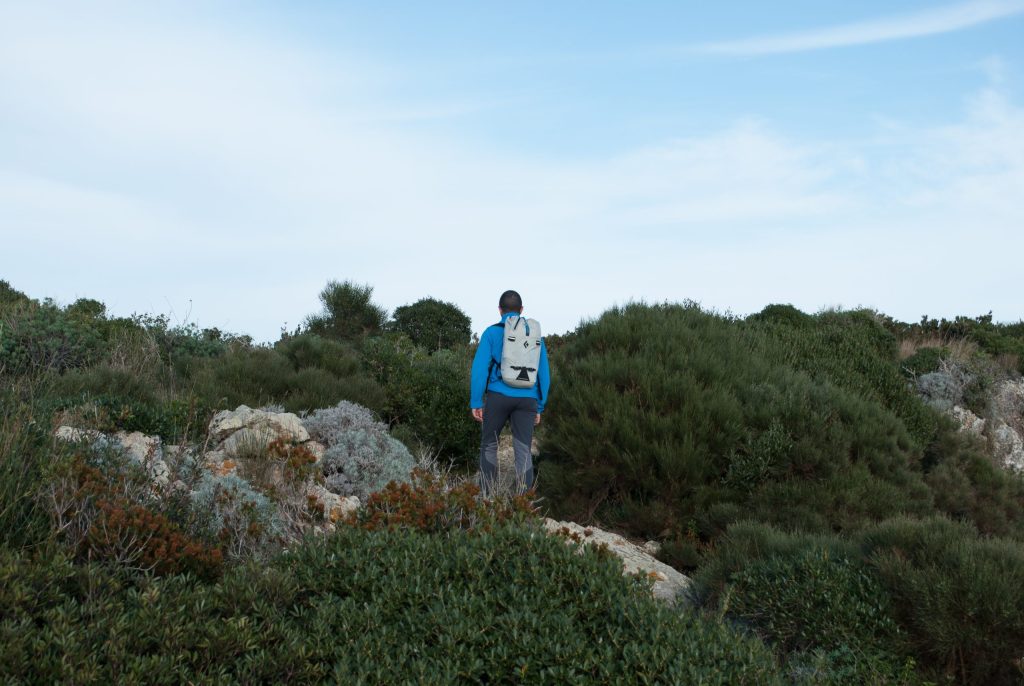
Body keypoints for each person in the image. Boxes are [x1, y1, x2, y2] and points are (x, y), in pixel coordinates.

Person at [470, 290, 550, 495]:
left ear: (499, 310)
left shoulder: (491, 333)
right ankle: (522, 506)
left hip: (498, 397)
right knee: (523, 451)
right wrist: (539, 406)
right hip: (528, 399)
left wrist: (476, 402)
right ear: (521, 310)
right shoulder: (535, 335)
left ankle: (487, 500)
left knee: (489, 446)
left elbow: (479, 369)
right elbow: (544, 375)